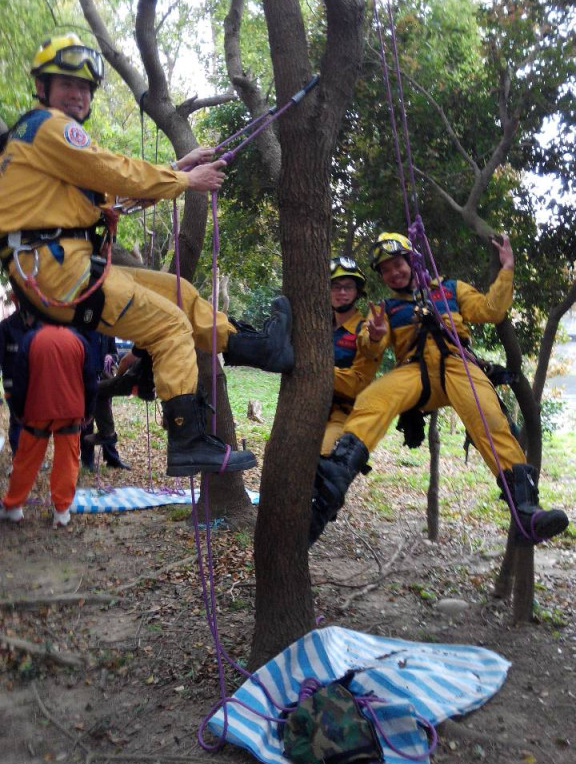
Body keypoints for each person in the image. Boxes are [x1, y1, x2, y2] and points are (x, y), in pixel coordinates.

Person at [0, 34, 293, 479]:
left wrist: (179, 170)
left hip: (65, 264)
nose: (77, 95)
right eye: (65, 85)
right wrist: (186, 182)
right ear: (43, 88)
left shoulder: (49, 147)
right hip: (58, 270)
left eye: (84, 88)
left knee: (179, 293)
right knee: (169, 325)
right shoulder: (49, 127)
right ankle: (187, 438)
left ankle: (253, 346)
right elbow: (114, 170)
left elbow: (109, 192)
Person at [311, 231, 569, 546]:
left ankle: (526, 508)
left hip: (459, 366)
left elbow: (491, 310)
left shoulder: (449, 289)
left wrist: (507, 270)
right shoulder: (387, 309)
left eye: (398, 264)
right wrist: (375, 335)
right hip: (416, 371)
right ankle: (336, 474)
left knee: (488, 418)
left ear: (412, 260)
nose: (394, 273)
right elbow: (369, 349)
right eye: (387, 270)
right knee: (372, 399)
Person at [309, 256, 386, 543]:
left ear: (357, 292)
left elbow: (359, 381)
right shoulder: (316, 325)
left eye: (349, 287)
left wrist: (376, 337)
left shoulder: (364, 327)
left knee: (326, 462)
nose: (342, 292)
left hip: (342, 412)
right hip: (308, 408)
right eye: (336, 286)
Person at [0, 322, 97, 526]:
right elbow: (90, 380)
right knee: (66, 462)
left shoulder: (31, 339)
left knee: (25, 460)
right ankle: (61, 512)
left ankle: (13, 506)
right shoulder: (79, 340)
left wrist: (18, 409)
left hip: (37, 409)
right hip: (70, 411)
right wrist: (88, 411)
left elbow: (20, 379)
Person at [80, 333, 131, 471]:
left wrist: (111, 357)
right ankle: (87, 460)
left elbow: (114, 352)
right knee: (87, 420)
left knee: (106, 419)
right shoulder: (84, 328)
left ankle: (112, 458)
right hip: (86, 378)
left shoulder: (107, 329)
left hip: (104, 378)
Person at [0, 296, 36, 455]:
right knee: (17, 422)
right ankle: (19, 459)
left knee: (34, 423)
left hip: (35, 385)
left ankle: (30, 459)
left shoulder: (40, 326)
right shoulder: (6, 327)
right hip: (13, 386)